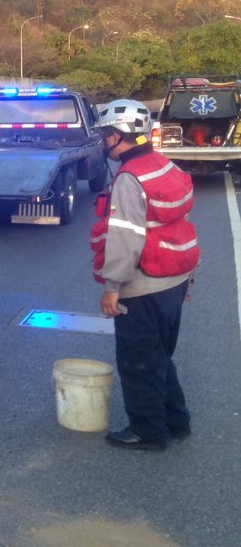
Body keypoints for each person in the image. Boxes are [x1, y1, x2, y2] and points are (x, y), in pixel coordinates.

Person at [91, 99, 200, 451]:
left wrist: (112, 288)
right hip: (174, 278)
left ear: (120, 136)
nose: (104, 140)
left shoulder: (128, 179)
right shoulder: (163, 164)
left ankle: (148, 432)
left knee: (138, 362)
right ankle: (176, 421)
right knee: (159, 357)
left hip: (144, 285)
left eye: (107, 134)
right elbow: (174, 225)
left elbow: (125, 238)